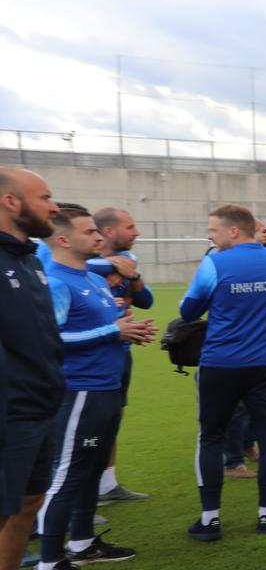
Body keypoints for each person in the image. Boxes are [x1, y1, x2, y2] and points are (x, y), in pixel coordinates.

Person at [29, 205, 154, 570]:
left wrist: (127, 329)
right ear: (63, 240)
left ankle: (82, 543)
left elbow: (107, 324)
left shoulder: (95, 279)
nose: (99, 238)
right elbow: (51, 338)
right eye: (90, 233)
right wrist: (111, 333)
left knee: (91, 466)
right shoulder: (56, 281)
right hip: (79, 389)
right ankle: (48, 567)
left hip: (106, 387)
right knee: (67, 475)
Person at [180, 204, 266, 540]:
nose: (210, 236)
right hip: (265, 365)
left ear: (233, 231)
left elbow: (188, 310)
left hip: (220, 365)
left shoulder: (214, 262)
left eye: (213, 230)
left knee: (210, 437)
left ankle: (210, 519)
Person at [0, 168, 78, 570]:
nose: (54, 207)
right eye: (45, 197)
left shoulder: (28, 258)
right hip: (9, 408)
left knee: (29, 502)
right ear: (11, 202)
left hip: (40, 401)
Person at [92, 206, 153, 506]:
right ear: (108, 232)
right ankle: (78, 498)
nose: (137, 232)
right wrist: (106, 266)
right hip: (90, 353)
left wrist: (130, 272)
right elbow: (69, 267)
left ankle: (107, 485)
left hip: (120, 349)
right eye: (130, 226)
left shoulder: (128, 261)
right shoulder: (82, 264)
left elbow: (146, 299)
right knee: (82, 425)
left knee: (112, 416)